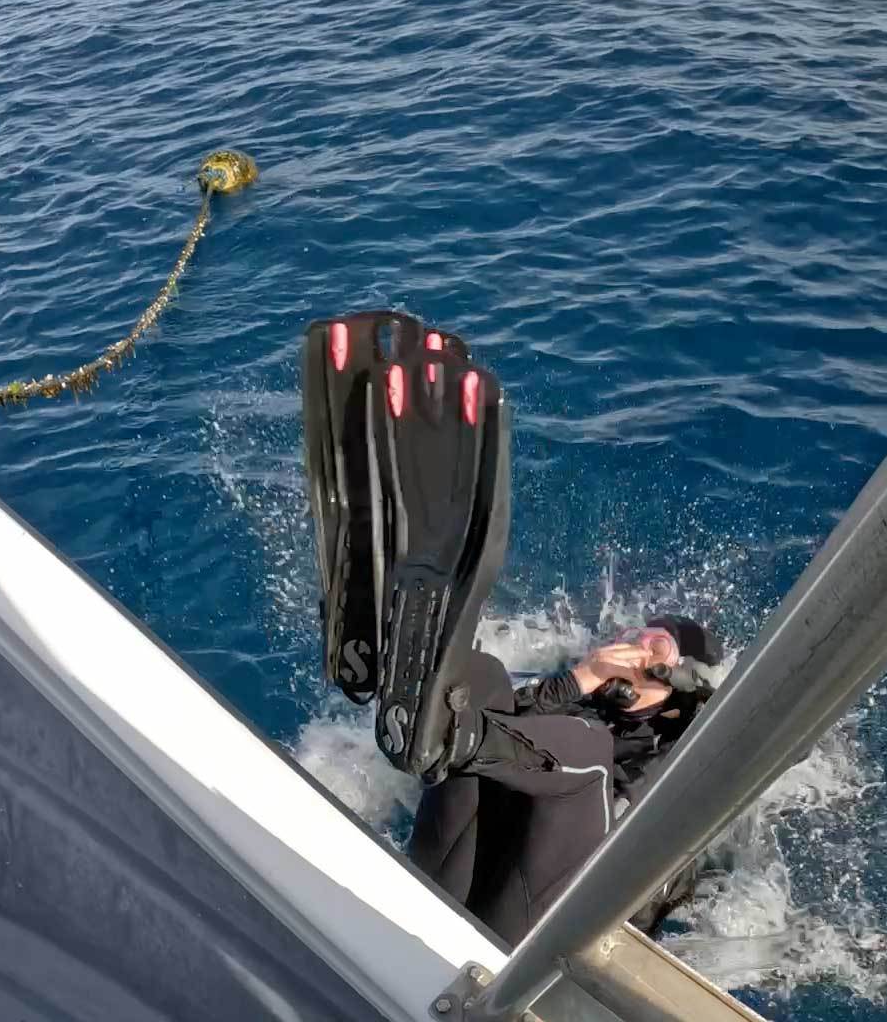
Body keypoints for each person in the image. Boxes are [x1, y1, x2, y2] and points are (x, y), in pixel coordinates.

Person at [302, 312, 718, 944]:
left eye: (655, 643)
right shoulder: (587, 702)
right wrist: (582, 678)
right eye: (637, 633)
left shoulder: (681, 746)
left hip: (536, 943)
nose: (636, 643)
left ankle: (441, 731)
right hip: (449, 895)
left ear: (678, 678)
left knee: (587, 749)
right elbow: (511, 727)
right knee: (482, 680)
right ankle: (377, 652)